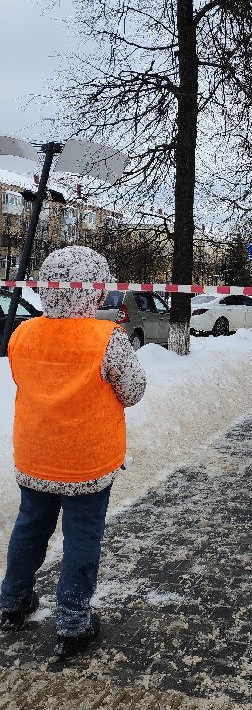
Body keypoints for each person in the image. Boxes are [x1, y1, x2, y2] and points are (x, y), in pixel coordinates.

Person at [0, 246, 146, 660]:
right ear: (94, 291)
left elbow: (22, 378)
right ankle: (72, 622)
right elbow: (133, 391)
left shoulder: (22, 333)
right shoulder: (107, 338)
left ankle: (12, 604)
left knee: (30, 527)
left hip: (35, 454)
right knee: (82, 536)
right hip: (87, 461)